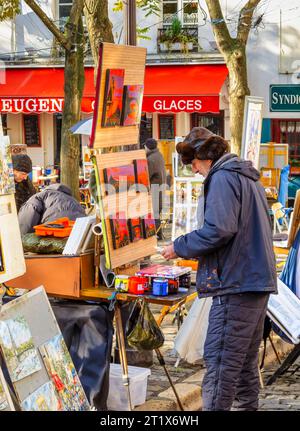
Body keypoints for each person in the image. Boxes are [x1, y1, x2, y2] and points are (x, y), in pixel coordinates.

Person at [162, 127, 277, 411]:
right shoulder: (244, 176)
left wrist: (180, 245)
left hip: (237, 284)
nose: (194, 170)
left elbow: (219, 230)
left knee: (221, 366)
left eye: (193, 164)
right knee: (242, 367)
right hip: (252, 282)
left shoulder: (223, 177)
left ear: (203, 158)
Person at [18, 183, 86, 235]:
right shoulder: (73, 200)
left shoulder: (40, 196)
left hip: (54, 233)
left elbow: (27, 220)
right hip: (79, 233)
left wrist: (22, 240)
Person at [144, 138, 167, 240]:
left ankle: (157, 235)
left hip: (154, 189)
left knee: (154, 213)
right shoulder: (159, 155)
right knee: (157, 212)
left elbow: (146, 176)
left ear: (148, 147)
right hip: (160, 188)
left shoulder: (150, 159)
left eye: (145, 147)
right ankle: (159, 234)